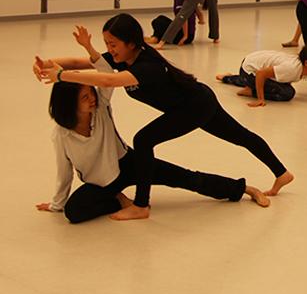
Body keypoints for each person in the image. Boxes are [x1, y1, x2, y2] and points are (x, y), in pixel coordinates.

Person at [34, 14, 292, 221]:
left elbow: (107, 80)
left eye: (113, 44)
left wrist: (60, 76)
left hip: (195, 105)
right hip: (194, 103)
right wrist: (48, 63)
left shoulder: (147, 66)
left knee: (144, 139)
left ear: (131, 43)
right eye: (107, 44)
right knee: (240, 137)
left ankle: (141, 205)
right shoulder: (124, 58)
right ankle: (281, 172)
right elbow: (83, 62)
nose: (109, 50)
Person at [216, 39, 307, 107]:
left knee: (281, 84)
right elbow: (261, 73)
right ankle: (249, 90)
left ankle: (228, 78)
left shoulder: (306, 69)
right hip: (249, 69)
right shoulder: (292, 69)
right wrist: (260, 99)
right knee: (287, 93)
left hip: (252, 65)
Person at [155, 0, 238, 49]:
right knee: (213, 11)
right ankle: (215, 38)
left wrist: (185, 36)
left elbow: (185, 14)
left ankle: (162, 42)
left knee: (182, 14)